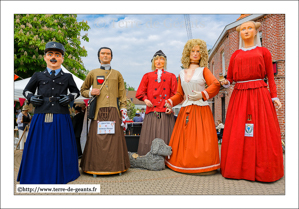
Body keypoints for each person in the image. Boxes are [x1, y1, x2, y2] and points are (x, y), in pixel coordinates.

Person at [220, 21, 284, 182]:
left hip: (260, 95)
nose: (246, 31)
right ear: (240, 33)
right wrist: (225, 83)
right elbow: (230, 79)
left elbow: (270, 76)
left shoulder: (264, 51)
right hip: (239, 96)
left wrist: (274, 96)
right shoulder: (235, 54)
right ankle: (238, 169)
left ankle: (263, 170)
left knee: (262, 130)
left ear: (256, 31)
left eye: (249, 28)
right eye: (243, 29)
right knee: (238, 131)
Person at [17, 41, 80, 184]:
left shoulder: (68, 77)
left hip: (61, 115)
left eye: (57, 55)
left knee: (62, 145)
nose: (53, 57)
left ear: (62, 59)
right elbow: (27, 90)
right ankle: (38, 172)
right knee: (40, 146)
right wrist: (31, 97)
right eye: (50, 54)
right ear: (45, 57)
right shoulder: (38, 76)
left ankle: (63, 172)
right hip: (41, 114)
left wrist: (70, 97)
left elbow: (76, 91)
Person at [165, 39, 220, 174]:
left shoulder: (204, 70)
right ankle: (183, 165)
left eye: (198, 51)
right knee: (185, 139)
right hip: (186, 109)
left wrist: (202, 94)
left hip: (201, 109)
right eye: (192, 51)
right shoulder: (182, 73)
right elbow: (179, 94)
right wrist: (171, 102)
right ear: (187, 53)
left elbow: (216, 84)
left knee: (201, 139)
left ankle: (203, 166)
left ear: (202, 54)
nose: (195, 54)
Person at [80, 47, 130, 175]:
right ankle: (95, 167)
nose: (106, 55)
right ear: (99, 57)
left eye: (108, 53)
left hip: (114, 110)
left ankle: (116, 166)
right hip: (98, 111)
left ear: (111, 57)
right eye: (103, 53)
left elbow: (122, 93)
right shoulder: (93, 73)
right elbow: (83, 90)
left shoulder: (117, 74)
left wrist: (123, 110)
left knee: (114, 139)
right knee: (97, 139)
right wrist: (91, 92)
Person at [136, 50, 177, 155]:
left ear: (165, 62)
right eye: (156, 59)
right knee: (150, 135)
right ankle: (149, 157)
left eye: (161, 59)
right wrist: (145, 99)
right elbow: (140, 92)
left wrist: (170, 105)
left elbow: (175, 94)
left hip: (165, 111)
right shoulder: (147, 76)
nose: (159, 61)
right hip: (152, 111)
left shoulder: (171, 76)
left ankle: (167, 160)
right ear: (153, 62)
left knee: (166, 135)